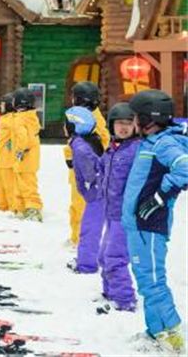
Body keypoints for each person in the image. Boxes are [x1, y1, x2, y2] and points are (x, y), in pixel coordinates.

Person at [123, 90, 187, 353]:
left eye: (136, 116)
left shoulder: (164, 144)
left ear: (149, 118)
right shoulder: (150, 142)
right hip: (138, 225)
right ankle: (156, 332)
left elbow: (185, 167)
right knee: (146, 281)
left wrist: (160, 197)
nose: (133, 122)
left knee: (153, 282)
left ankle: (173, 337)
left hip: (150, 225)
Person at [97, 102, 138, 312]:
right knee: (103, 255)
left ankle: (125, 300)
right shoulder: (112, 149)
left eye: (128, 123)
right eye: (120, 123)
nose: (123, 127)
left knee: (115, 257)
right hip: (111, 213)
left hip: (125, 215)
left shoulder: (135, 150)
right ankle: (110, 292)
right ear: (111, 125)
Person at [64, 82, 110, 247]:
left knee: (82, 205)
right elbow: (72, 140)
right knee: (76, 204)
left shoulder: (91, 119)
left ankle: (82, 239)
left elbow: (101, 144)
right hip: (79, 167)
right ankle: (76, 236)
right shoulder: (80, 115)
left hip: (88, 170)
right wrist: (69, 156)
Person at [64, 106, 105, 273]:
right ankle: (91, 259)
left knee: (89, 229)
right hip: (98, 193)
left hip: (98, 194)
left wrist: (92, 189)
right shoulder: (83, 143)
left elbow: (92, 174)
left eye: (66, 123)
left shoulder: (81, 148)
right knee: (92, 228)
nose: (63, 127)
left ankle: (87, 264)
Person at [10, 88, 43, 221]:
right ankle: (21, 207)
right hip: (31, 157)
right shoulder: (31, 117)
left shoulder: (19, 118)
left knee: (27, 185)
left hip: (24, 157)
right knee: (23, 183)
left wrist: (19, 150)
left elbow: (23, 137)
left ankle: (33, 208)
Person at [0, 94, 18, 212]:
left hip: (8, 157)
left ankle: (13, 207)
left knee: (9, 185)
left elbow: (16, 135)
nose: (0, 106)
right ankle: (2, 205)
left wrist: (10, 146)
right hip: (0, 156)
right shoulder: (3, 118)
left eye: (3, 104)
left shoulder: (12, 119)